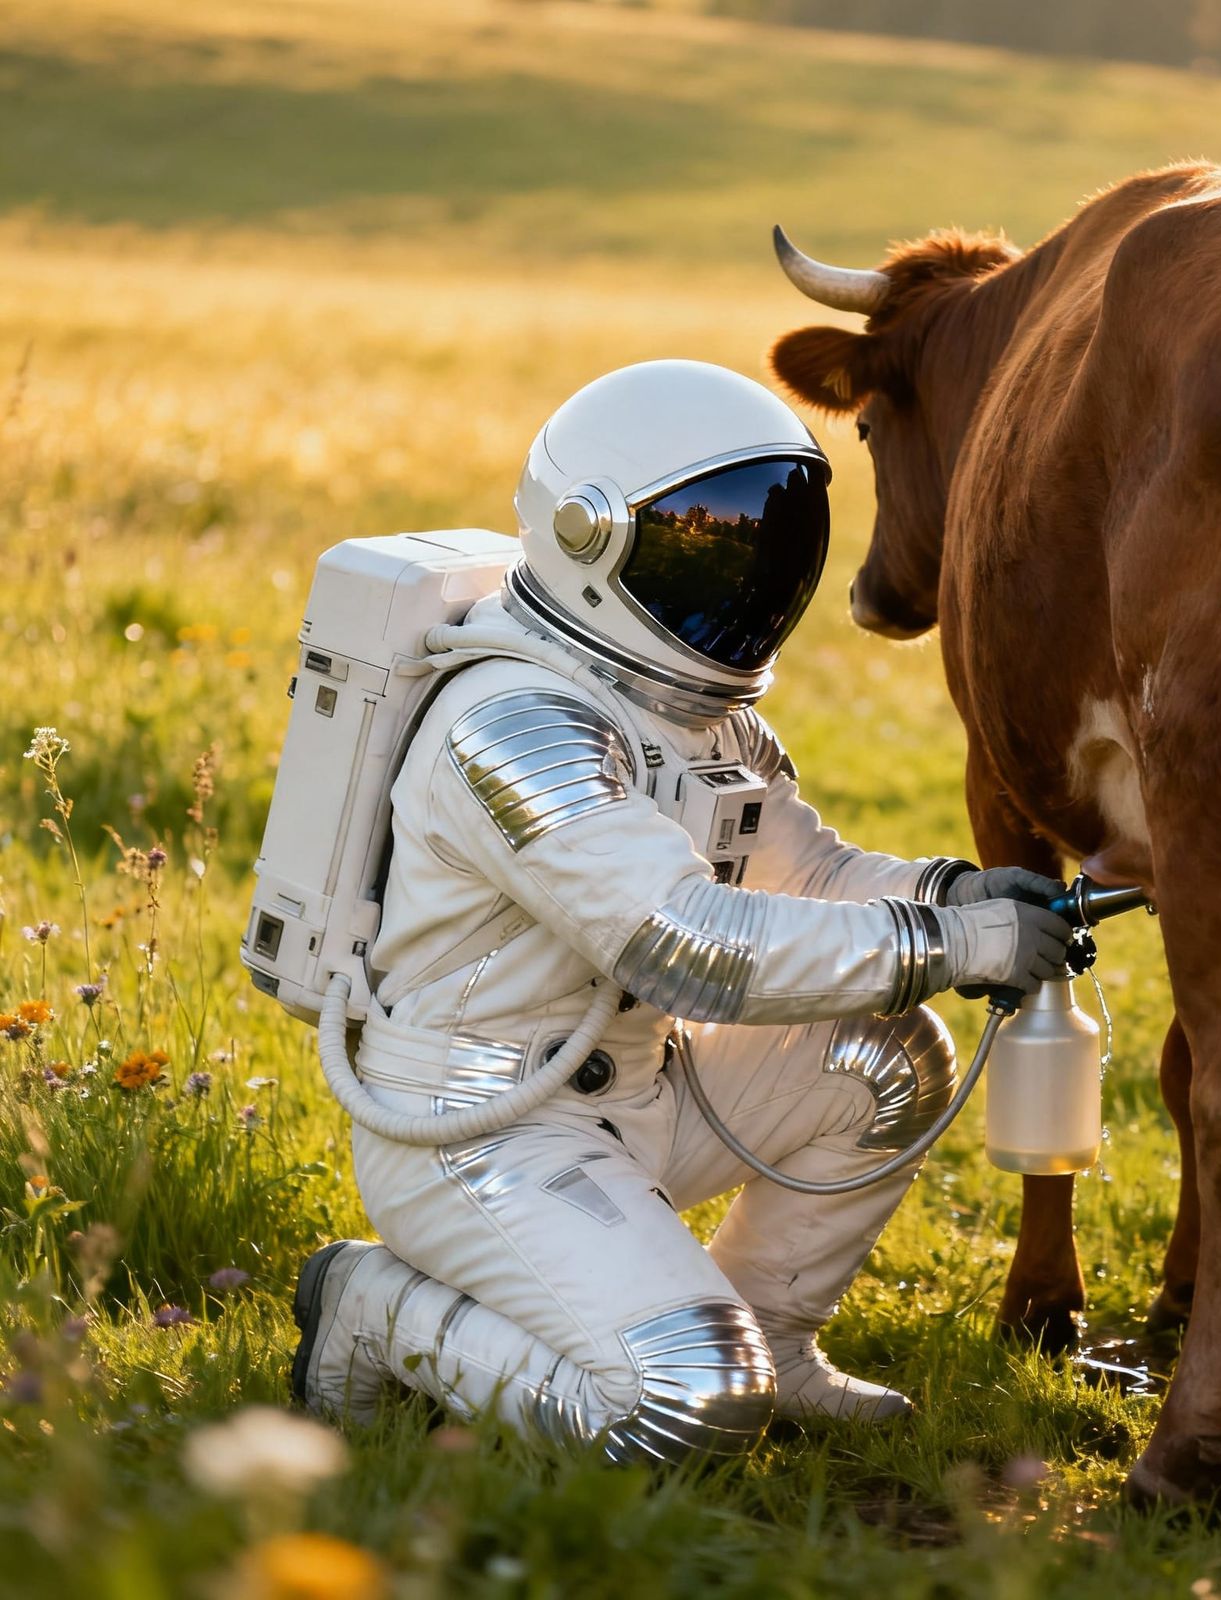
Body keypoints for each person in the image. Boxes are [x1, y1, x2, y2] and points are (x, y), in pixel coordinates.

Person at [289, 360, 1076, 1464]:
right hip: (482, 1129)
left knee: (887, 1052)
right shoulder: (515, 722)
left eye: (768, 546)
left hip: (640, 1092)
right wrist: (959, 942)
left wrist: (950, 894)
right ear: (592, 536)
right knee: (681, 1407)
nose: (748, 580)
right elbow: (684, 943)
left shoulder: (697, 719)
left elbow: (806, 876)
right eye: (713, 544)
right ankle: (375, 1306)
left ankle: (770, 1340)